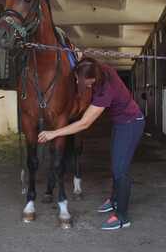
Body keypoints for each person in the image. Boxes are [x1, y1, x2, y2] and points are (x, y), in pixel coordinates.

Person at [38, 57, 145, 230]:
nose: (78, 82)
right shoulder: (99, 68)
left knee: (120, 170)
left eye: (80, 80)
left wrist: (53, 133)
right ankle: (114, 200)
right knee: (116, 164)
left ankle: (122, 216)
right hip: (120, 122)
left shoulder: (105, 90)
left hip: (131, 123)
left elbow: (84, 123)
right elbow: (84, 61)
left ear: (91, 79)